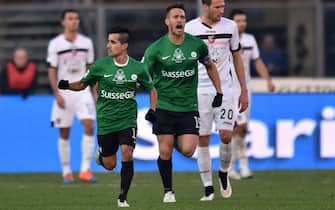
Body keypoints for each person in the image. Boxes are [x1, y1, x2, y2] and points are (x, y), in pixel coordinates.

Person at [58, 26, 156, 207]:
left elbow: (151, 89)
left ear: (124, 45)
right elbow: (82, 84)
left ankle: (122, 197)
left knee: (127, 153)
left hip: (127, 120)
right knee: (110, 165)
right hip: (106, 120)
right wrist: (66, 85)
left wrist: (152, 110)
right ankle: (102, 155)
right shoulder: (100, 66)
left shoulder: (137, 68)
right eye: (108, 41)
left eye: (113, 42)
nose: (108, 45)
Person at [142, 3, 223, 203]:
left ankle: (176, 136)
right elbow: (145, 77)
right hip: (164, 106)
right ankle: (168, 191)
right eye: (176, 17)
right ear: (167, 21)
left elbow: (210, 66)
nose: (180, 20)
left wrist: (219, 91)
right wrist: (152, 105)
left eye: (183, 17)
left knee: (188, 151)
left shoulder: (196, 45)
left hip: (189, 106)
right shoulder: (156, 49)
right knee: (165, 150)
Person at [185, 0, 249, 201]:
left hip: (226, 90)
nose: (222, 11)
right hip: (200, 90)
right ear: (205, 6)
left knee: (226, 136)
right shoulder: (190, 28)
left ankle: (223, 172)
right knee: (202, 139)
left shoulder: (230, 27)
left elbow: (236, 57)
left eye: (223, 7)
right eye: (218, 7)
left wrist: (243, 89)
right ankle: (208, 188)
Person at [47, 9, 96, 184]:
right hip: (64, 91)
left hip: (82, 90)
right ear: (63, 22)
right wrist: (57, 94)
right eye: (70, 18)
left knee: (89, 125)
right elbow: (52, 70)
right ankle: (66, 170)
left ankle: (85, 169)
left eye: (76, 18)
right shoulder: (55, 44)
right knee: (64, 131)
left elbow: (92, 69)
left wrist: (95, 92)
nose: (74, 21)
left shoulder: (87, 42)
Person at [229, 9, 275, 180]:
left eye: (244, 20)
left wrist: (268, 80)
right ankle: (239, 166)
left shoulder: (250, 40)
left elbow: (257, 61)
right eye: (238, 21)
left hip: (245, 89)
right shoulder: (226, 40)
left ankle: (235, 166)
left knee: (242, 128)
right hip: (228, 89)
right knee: (233, 128)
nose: (242, 24)